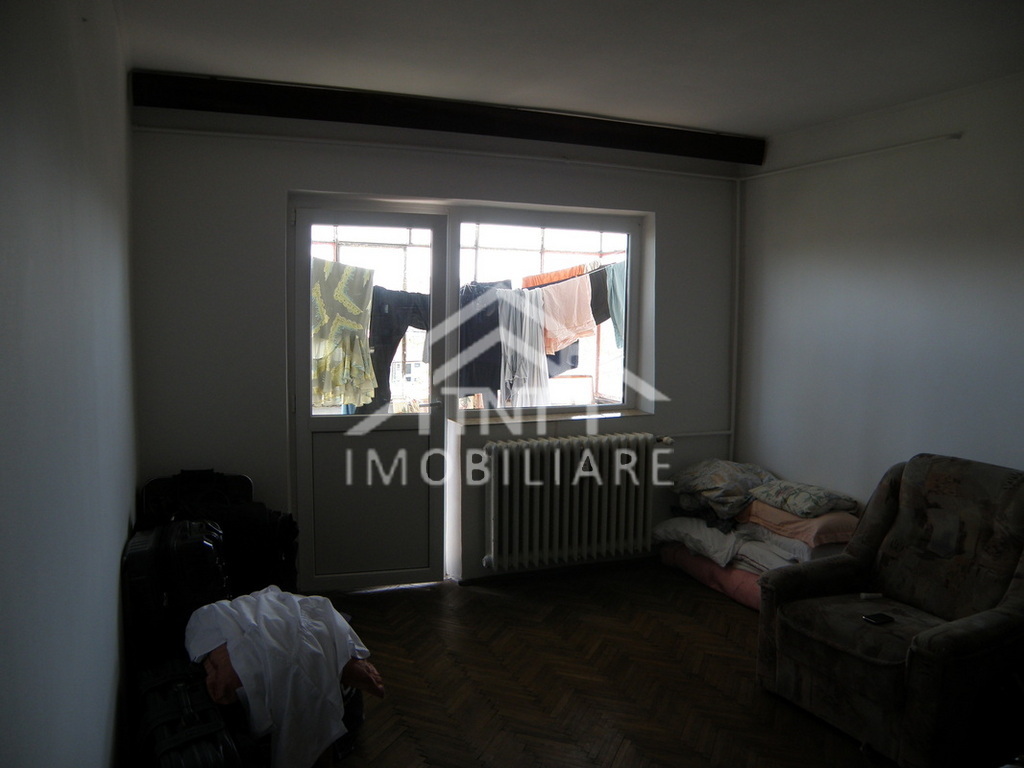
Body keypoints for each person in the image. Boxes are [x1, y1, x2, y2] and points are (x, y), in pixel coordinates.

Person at [186, 586, 385, 768]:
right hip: (227, 616)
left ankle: (342, 666)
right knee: (292, 659)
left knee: (299, 648)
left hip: (256, 611)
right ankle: (341, 667)